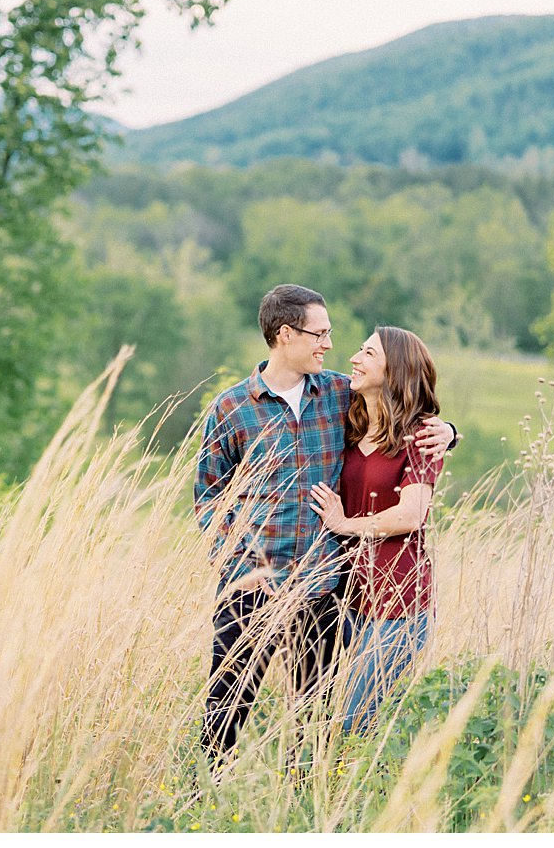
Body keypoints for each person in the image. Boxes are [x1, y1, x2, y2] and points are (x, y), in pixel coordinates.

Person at [193, 284, 457, 766]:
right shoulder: (232, 409)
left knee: (311, 719)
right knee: (225, 710)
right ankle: (199, 803)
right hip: (252, 588)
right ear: (285, 334)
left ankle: (301, 808)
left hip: (323, 589)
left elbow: (403, 413)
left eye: (331, 334)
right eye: (320, 334)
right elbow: (209, 501)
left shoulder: (339, 393)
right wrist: (239, 570)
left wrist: (450, 432)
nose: (329, 345)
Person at [310, 325, 441, 732]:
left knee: (355, 724)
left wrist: (344, 524)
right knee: (318, 714)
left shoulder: (420, 436)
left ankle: (358, 793)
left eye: (368, 353)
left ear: (394, 369)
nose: (354, 358)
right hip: (344, 596)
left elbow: (410, 515)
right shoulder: (346, 425)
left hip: (398, 601)